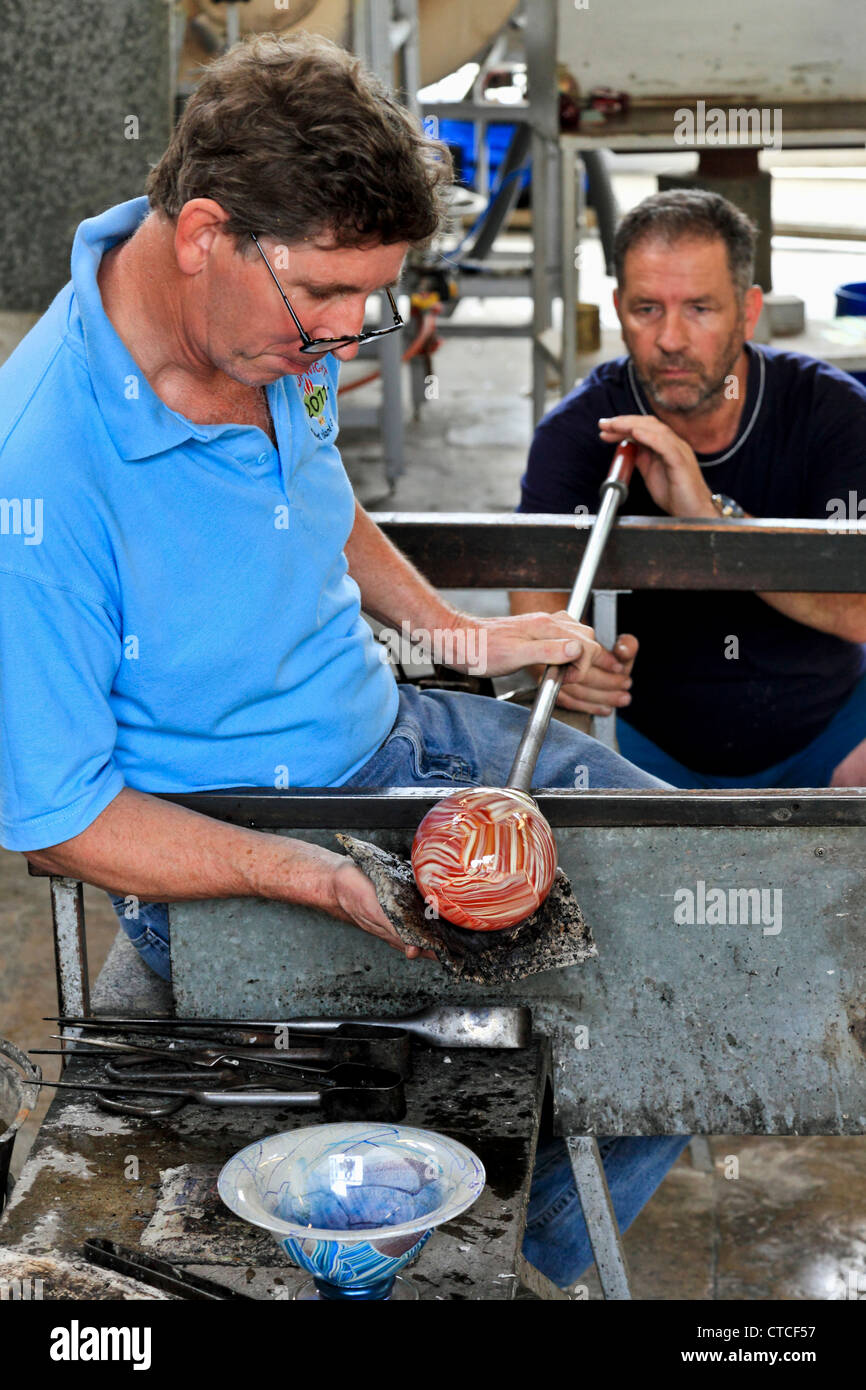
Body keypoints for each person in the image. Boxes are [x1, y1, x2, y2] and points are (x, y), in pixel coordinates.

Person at [0, 32, 686, 1289]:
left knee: (709, 960)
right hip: (234, 838)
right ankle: (460, 1250)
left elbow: (322, 507)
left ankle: (504, 1247)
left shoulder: (270, 341)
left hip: (400, 736)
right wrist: (311, 880)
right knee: (400, 1165)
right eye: (319, 296)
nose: (340, 338)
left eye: (364, 297)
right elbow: (58, 816)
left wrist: (461, 641)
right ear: (204, 231)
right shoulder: (40, 469)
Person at [512, 189, 866, 789]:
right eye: (648, 309)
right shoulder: (577, 432)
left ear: (749, 311)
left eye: (700, 308)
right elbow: (534, 612)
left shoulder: (832, 415)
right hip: (636, 749)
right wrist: (568, 664)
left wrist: (715, 524)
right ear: (619, 307)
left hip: (834, 738)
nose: (671, 339)